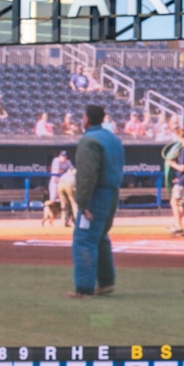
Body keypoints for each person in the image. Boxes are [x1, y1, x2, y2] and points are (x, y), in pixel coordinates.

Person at [68, 104, 125, 299]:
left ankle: (84, 288)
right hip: (112, 194)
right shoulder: (113, 139)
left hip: (96, 196)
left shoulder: (89, 141)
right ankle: (106, 282)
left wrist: (82, 203)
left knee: (84, 240)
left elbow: (87, 175)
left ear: (86, 119)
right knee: (100, 238)